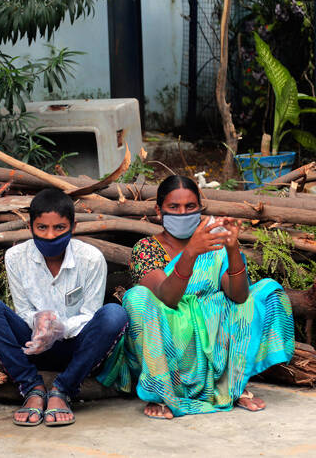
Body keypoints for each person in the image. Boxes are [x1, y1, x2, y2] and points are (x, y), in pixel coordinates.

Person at [98, 175, 295, 419]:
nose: (182, 213)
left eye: (190, 207)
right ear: (159, 211)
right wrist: (190, 253)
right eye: (174, 207)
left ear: (200, 208)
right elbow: (167, 298)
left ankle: (230, 384)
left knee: (266, 292)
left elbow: (239, 297)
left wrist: (233, 250)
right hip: (165, 340)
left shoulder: (214, 245)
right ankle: (162, 392)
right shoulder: (146, 248)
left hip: (210, 341)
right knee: (136, 298)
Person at [0, 188, 128, 427]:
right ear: (30, 226)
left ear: (72, 227)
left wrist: (60, 327)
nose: (51, 236)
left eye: (59, 228)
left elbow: (91, 314)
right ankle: (31, 386)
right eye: (42, 228)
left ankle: (63, 390)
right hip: (33, 347)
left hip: (78, 349)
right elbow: (22, 310)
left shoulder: (91, 258)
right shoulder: (15, 257)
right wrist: (38, 320)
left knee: (114, 314)